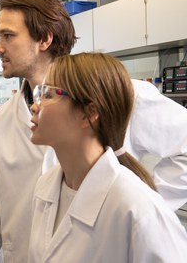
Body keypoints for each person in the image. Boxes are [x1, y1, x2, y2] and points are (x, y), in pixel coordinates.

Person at [0, 0, 187, 262]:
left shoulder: (119, 94)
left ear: (44, 39)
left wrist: (136, 202)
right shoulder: (5, 120)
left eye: (8, 36)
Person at [28, 52, 187, 262]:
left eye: (48, 95)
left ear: (89, 113)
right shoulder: (46, 186)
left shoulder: (140, 211)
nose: (34, 106)